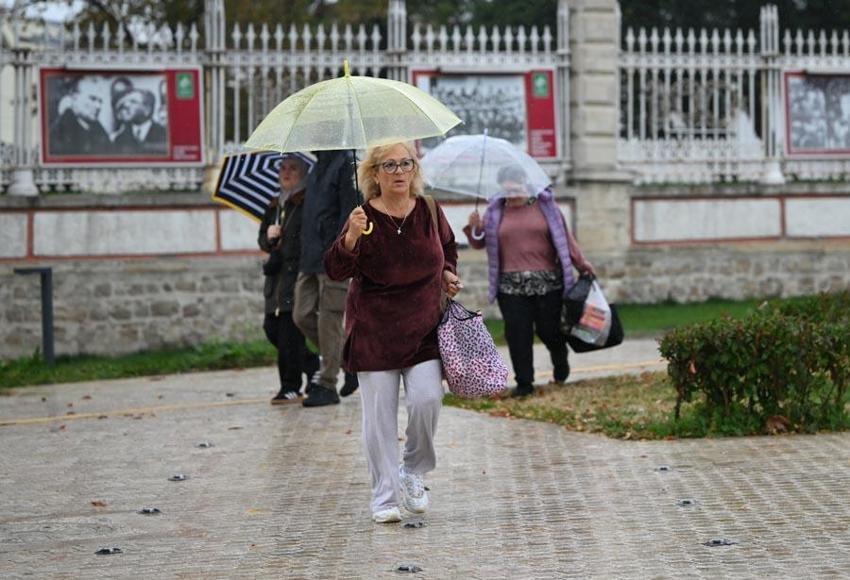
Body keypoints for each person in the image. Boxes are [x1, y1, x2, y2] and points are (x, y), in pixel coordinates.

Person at [324, 142, 461, 524]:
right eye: (390, 165)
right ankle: (383, 496)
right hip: (374, 332)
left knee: (427, 400)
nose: (399, 171)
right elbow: (335, 269)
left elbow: (447, 248)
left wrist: (448, 272)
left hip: (423, 330)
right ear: (375, 173)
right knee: (379, 420)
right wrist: (351, 237)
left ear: (415, 168)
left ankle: (413, 471)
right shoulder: (362, 216)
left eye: (406, 163)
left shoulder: (430, 210)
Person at [463, 165, 594, 398]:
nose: (513, 188)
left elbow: (566, 241)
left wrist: (583, 266)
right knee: (518, 334)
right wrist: (474, 227)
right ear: (501, 187)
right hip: (510, 288)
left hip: (549, 285)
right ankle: (524, 383)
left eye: (517, 183)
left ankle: (560, 361)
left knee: (549, 331)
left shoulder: (546, 207)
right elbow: (480, 242)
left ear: (526, 184)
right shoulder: (495, 211)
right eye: (508, 184)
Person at [294, 150, 360, 407]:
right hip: (308, 258)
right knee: (302, 314)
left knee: (330, 318)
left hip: (333, 257)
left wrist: (340, 249)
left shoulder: (345, 165)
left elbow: (349, 214)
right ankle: (348, 362)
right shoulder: (316, 167)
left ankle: (327, 383)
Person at [258, 154, 321, 404]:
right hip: (275, 281)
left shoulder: (307, 203)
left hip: (296, 278)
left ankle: (290, 385)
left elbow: (308, 239)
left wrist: (287, 242)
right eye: (282, 168)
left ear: (303, 173)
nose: (286, 172)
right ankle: (311, 362)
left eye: (293, 168)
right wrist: (270, 236)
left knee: (289, 335)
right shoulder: (275, 205)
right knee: (271, 329)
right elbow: (262, 239)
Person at [48, 76, 111, 156]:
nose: (98, 106)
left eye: (100, 101)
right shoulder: (58, 134)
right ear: (74, 96)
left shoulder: (100, 132)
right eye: (92, 99)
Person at [113, 86, 168, 155]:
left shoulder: (164, 134)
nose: (126, 105)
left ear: (147, 110)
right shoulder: (120, 139)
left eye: (133, 102)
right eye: (126, 102)